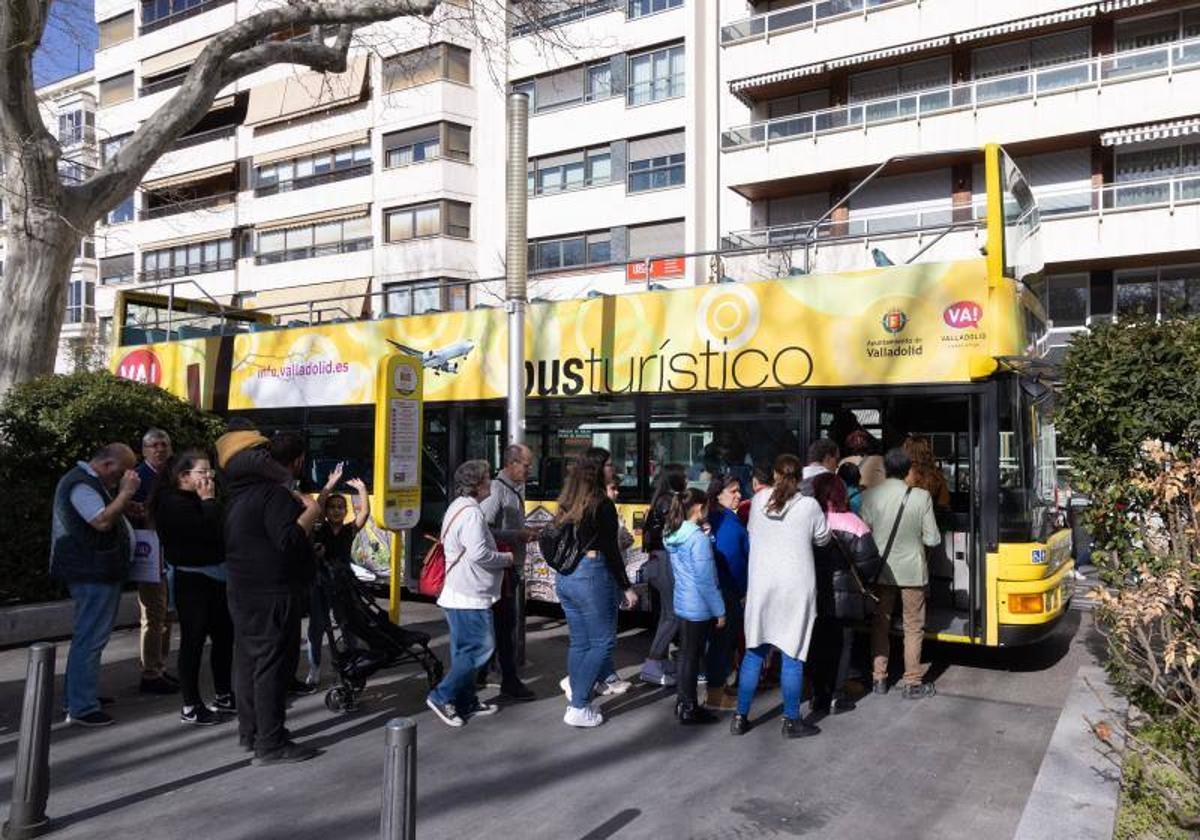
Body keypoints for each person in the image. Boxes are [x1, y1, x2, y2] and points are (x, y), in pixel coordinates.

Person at [220, 430, 321, 764]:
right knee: (272, 667)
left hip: (243, 589)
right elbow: (289, 540)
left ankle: (253, 732)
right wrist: (312, 512)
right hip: (272, 592)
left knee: (249, 662)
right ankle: (271, 743)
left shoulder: (238, 494)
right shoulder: (271, 495)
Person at [731, 454, 830, 739]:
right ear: (800, 478)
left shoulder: (759, 501)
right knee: (792, 656)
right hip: (796, 590)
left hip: (762, 588)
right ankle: (791, 721)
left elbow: (752, 532)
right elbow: (822, 539)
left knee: (754, 653)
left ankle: (740, 717)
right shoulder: (809, 506)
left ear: (774, 475)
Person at [50, 443, 140, 727]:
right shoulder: (81, 485)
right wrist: (125, 494)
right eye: (123, 472)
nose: (124, 478)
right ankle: (81, 705)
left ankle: (81, 696)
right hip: (92, 572)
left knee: (90, 636)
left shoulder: (86, 482)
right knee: (90, 638)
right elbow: (100, 521)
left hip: (95, 571)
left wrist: (124, 503)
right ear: (108, 465)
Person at [425, 460, 514, 727]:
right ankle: (442, 696)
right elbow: (479, 554)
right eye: (488, 479)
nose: (491, 484)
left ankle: (465, 701)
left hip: (460, 591)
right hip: (468, 593)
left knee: (464, 650)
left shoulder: (458, 505)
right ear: (477, 485)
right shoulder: (473, 514)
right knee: (481, 647)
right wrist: (507, 558)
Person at [151, 450, 235, 726]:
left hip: (217, 577)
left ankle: (224, 694)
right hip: (193, 581)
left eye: (210, 472)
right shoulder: (172, 503)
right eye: (202, 472)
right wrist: (209, 501)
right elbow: (204, 531)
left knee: (223, 639)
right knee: (193, 642)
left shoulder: (194, 499)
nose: (208, 477)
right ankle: (191, 705)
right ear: (183, 475)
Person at [553, 457, 638, 728]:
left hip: (567, 577)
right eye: (609, 463)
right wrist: (626, 586)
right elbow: (612, 551)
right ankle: (578, 704)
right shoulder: (602, 505)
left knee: (580, 642)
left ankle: (577, 691)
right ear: (598, 472)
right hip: (592, 574)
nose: (614, 468)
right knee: (603, 642)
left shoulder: (569, 501)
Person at [860, 447, 941, 700]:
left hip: (881, 571)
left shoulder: (870, 495)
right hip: (912, 572)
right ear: (908, 471)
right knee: (913, 626)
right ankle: (912, 681)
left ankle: (879, 678)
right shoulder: (921, 497)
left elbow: (863, 534)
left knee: (880, 623)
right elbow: (933, 538)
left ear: (885, 469)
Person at [809, 473, 883, 715]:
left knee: (818, 643)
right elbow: (870, 564)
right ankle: (837, 696)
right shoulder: (855, 523)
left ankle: (818, 694)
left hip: (815, 593)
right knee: (843, 645)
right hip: (847, 597)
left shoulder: (810, 520)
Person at [476, 444, 537, 702]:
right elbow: (483, 530)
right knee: (504, 626)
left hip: (509, 567)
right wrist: (518, 535)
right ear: (511, 463)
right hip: (501, 570)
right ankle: (507, 680)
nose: (529, 470)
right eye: (525, 465)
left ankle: (482, 676)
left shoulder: (513, 489)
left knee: (502, 627)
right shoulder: (498, 490)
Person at [664, 488, 725, 725]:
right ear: (699, 508)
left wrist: (706, 536)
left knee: (686, 655)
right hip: (699, 605)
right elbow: (706, 580)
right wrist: (719, 610)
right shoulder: (696, 538)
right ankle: (689, 707)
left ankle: (683, 702)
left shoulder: (673, 532)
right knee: (692, 656)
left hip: (682, 599)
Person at [307, 475, 370, 687]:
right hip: (319, 583)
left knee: (347, 626)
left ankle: (349, 667)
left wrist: (362, 489)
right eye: (332, 507)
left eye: (341, 507)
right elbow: (317, 505)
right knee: (317, 628)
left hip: (342, 584)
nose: (336, 510)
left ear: (346, 511)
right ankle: (314, 668)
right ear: (325, 511)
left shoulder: (348, 531)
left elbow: (365, 513)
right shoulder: (319, 528)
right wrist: (330, 485)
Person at [131, 428, 177, 695]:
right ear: (145, 450)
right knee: (153, 613)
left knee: (166, 613)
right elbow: (130, 509)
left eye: (164, 444)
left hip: (170, 551)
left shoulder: (170, 475)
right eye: (154, 445)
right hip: (148, 552)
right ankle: (150, 673)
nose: (160, 449)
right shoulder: (138, 476)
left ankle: (159, 666)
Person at [637, 463, 687, 686]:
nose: (687, 479)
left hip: (658, 561)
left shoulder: (661, 498)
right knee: (672, 615)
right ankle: (653, 662)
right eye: (684, 475)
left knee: (667, 614)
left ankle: (660, 660)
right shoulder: (668, 501)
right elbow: (676, 529)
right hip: (665, 560)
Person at [705, 475, 749, 697]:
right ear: (718, 495)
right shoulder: (727, 523)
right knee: (721, 644)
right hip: (727, 591)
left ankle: (716, 689)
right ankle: (715, 694)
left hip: (714, 591)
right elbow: (736, 561)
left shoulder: (713, 518)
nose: (739, 495)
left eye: (739, 490)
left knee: (716, 643)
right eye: (733, 491)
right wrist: (743, 591)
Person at [903, 435, 951, 510]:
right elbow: (944, 504)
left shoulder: (900, 474)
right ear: (927, 452)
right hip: (929, 518)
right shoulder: (936, 475)